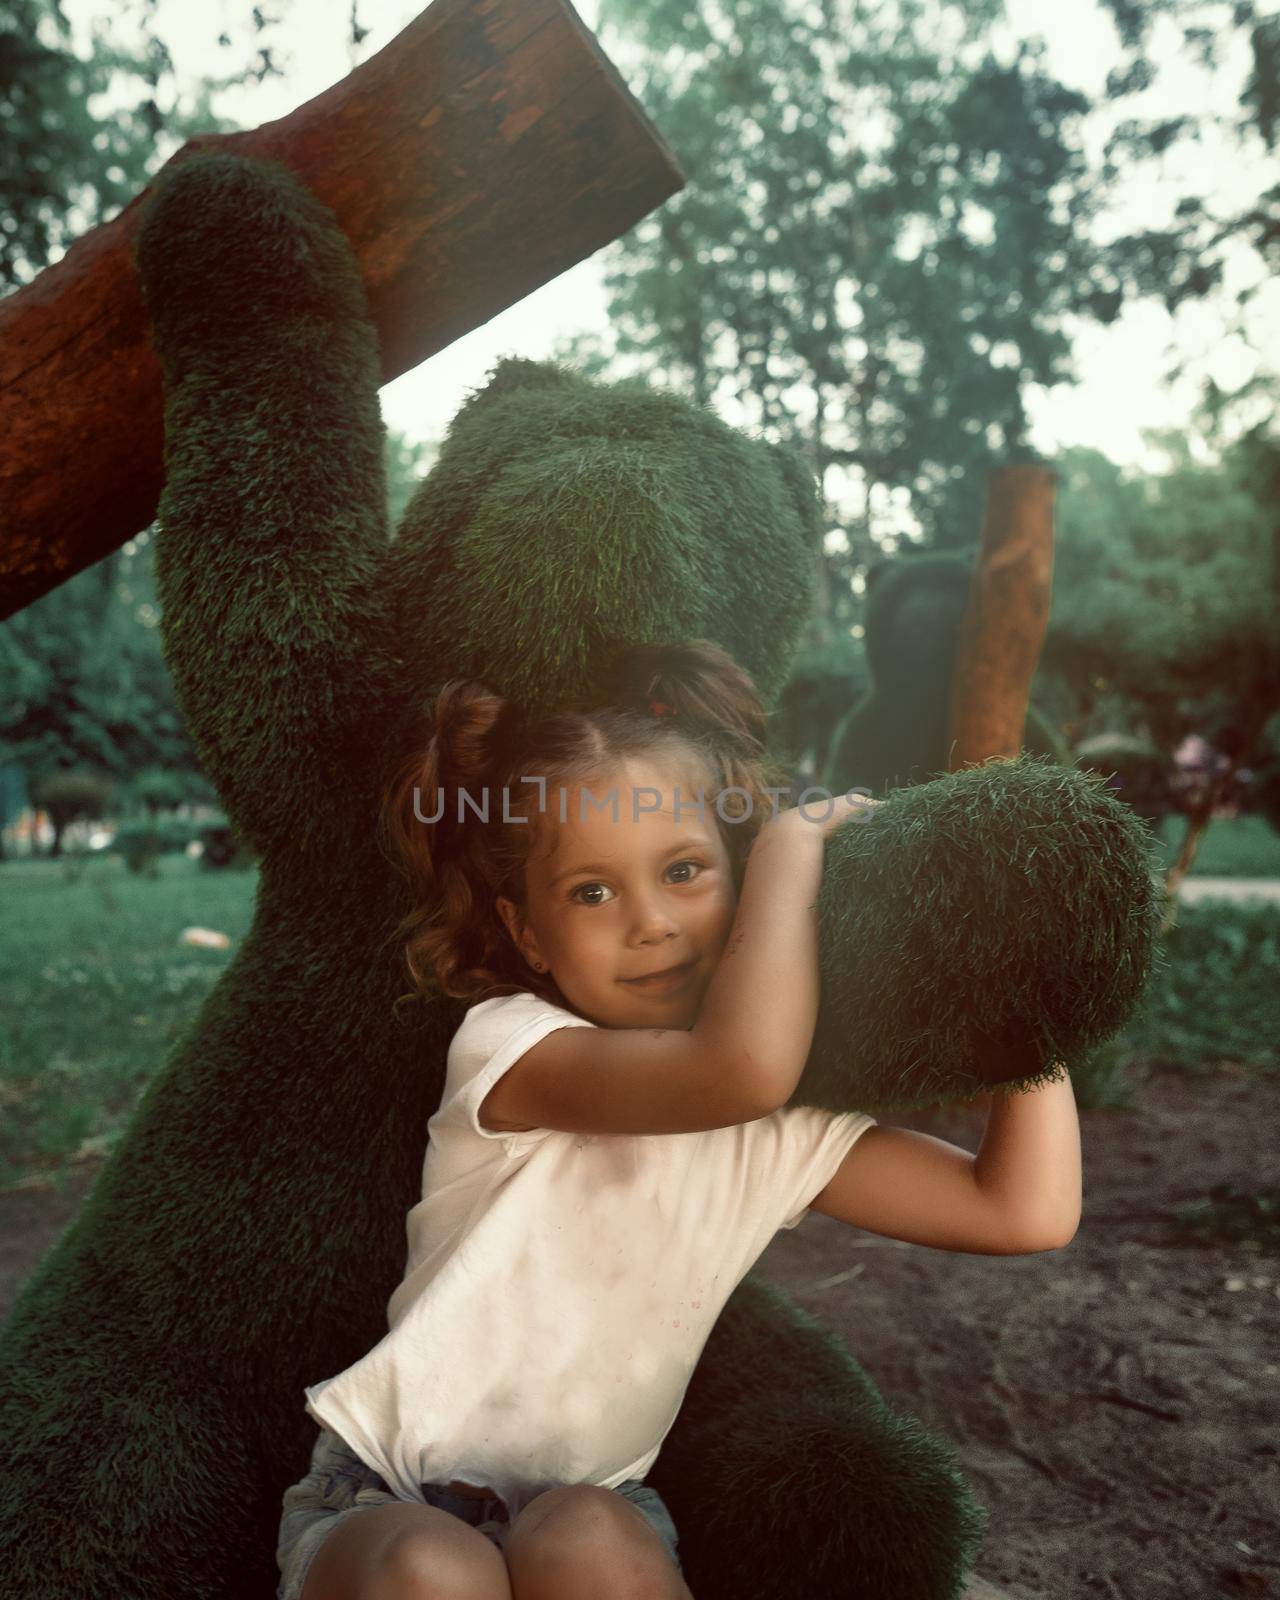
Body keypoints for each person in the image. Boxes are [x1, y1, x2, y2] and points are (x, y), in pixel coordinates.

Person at [275, 638, 1081, 1600]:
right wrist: (786, 850)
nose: (649, 921)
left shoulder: (782, 1130)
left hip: (595, 1499)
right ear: (528, 931)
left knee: (584, 1535)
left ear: (738, 888)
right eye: (592, 891)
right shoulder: (514, 1051)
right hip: (382, 1499)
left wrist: (1018, 996)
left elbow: (1021, 1211)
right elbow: (735, 1067)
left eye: (687, 871)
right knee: (433, 1568)